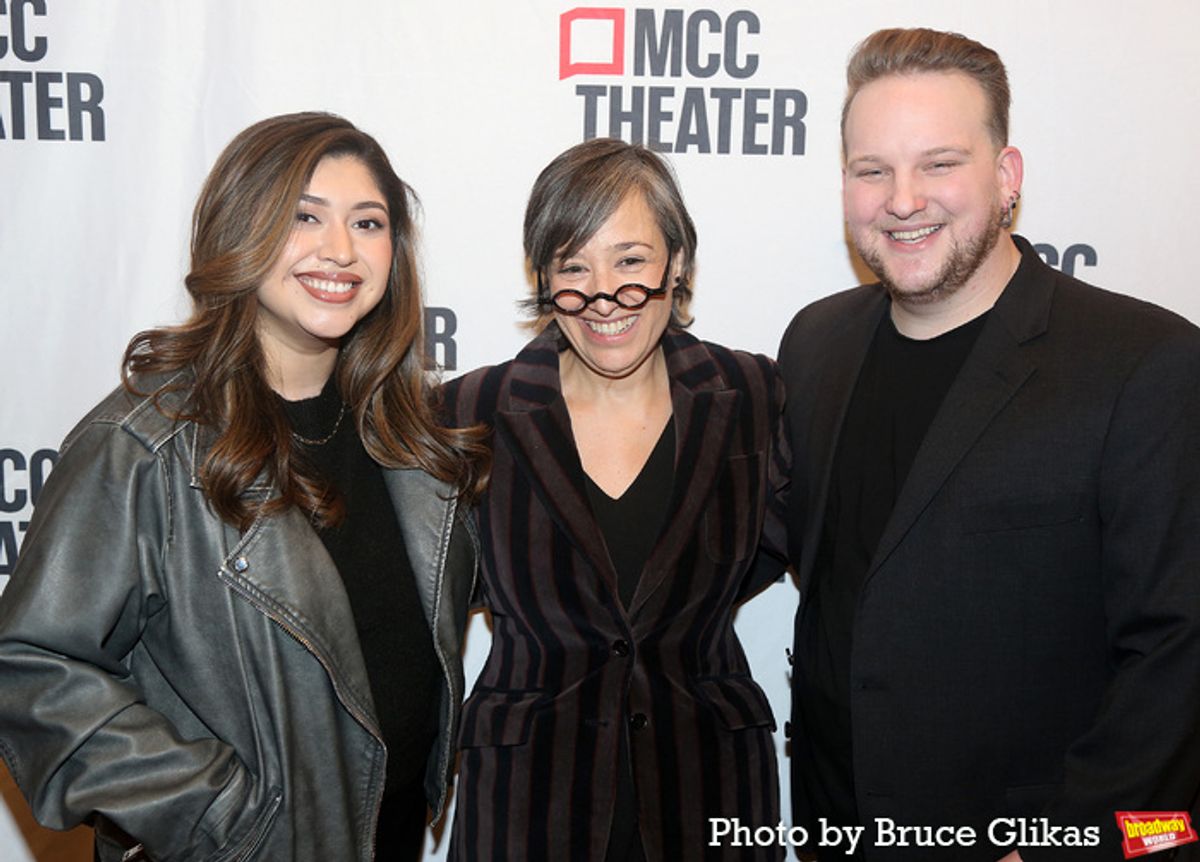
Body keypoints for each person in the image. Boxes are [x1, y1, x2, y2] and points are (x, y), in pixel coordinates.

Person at [0, 112, 486, 861]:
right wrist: (218, 818)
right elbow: (30, 666)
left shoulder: (407, 438)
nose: (340, 249)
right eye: (303, 216)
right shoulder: (144, 445)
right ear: (242, 229)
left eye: (368, 222)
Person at [776, 27, 1200, 861]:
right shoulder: (815, 343)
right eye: (872, 170)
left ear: (1005, 178)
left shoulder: (1143, 361)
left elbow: (1180, 651)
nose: (903, 200)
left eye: (939, 163)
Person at [442, 137, 789, 860]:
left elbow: (794, 550)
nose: (603, 297)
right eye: (574, 267)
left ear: (679, 262)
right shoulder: (467, 413)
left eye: (631, 261)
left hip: (711, 799)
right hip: (524, 809)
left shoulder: (755, 397)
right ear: (543, 277)